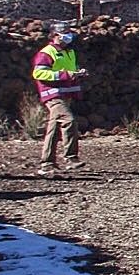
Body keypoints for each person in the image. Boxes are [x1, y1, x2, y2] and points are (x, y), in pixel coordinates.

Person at [31, 21, 90, 175]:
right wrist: (65, 75)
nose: (69, 36)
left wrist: (77, 73)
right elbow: (39, 73)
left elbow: (70, 71)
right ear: (55, 35)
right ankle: (70, 158)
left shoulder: (69, 52)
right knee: (68, 121)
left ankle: (47, 163)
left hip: (65, 94)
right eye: (65, 33)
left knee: (54, 127)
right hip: (53, 93)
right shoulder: (46, 52)